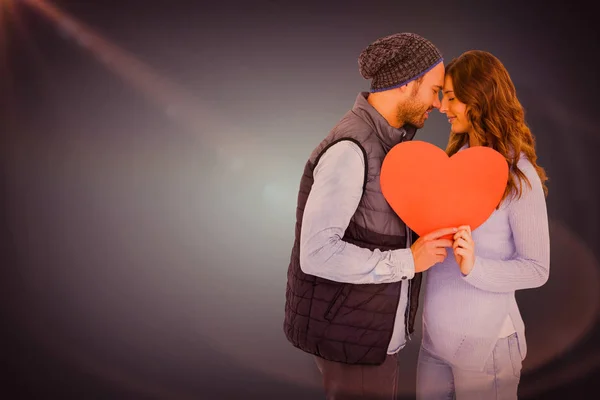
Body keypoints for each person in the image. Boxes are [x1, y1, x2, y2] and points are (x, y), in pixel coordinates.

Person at [283, 32, 457, 400]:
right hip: (354, 342)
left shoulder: (387, 144)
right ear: (408, 84)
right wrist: (409, 260)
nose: (439, 104)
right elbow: (317, 253)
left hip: (367, 340)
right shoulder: (352, 148)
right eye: (435, 89)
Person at [415, 50, 550, 400]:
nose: (442, 108)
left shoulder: (519, 176)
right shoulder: (453, 163)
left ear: (479, 99)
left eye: (452, 98)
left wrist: (475, 268)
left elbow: (537, 269)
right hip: (434, 343)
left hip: (487, 348)